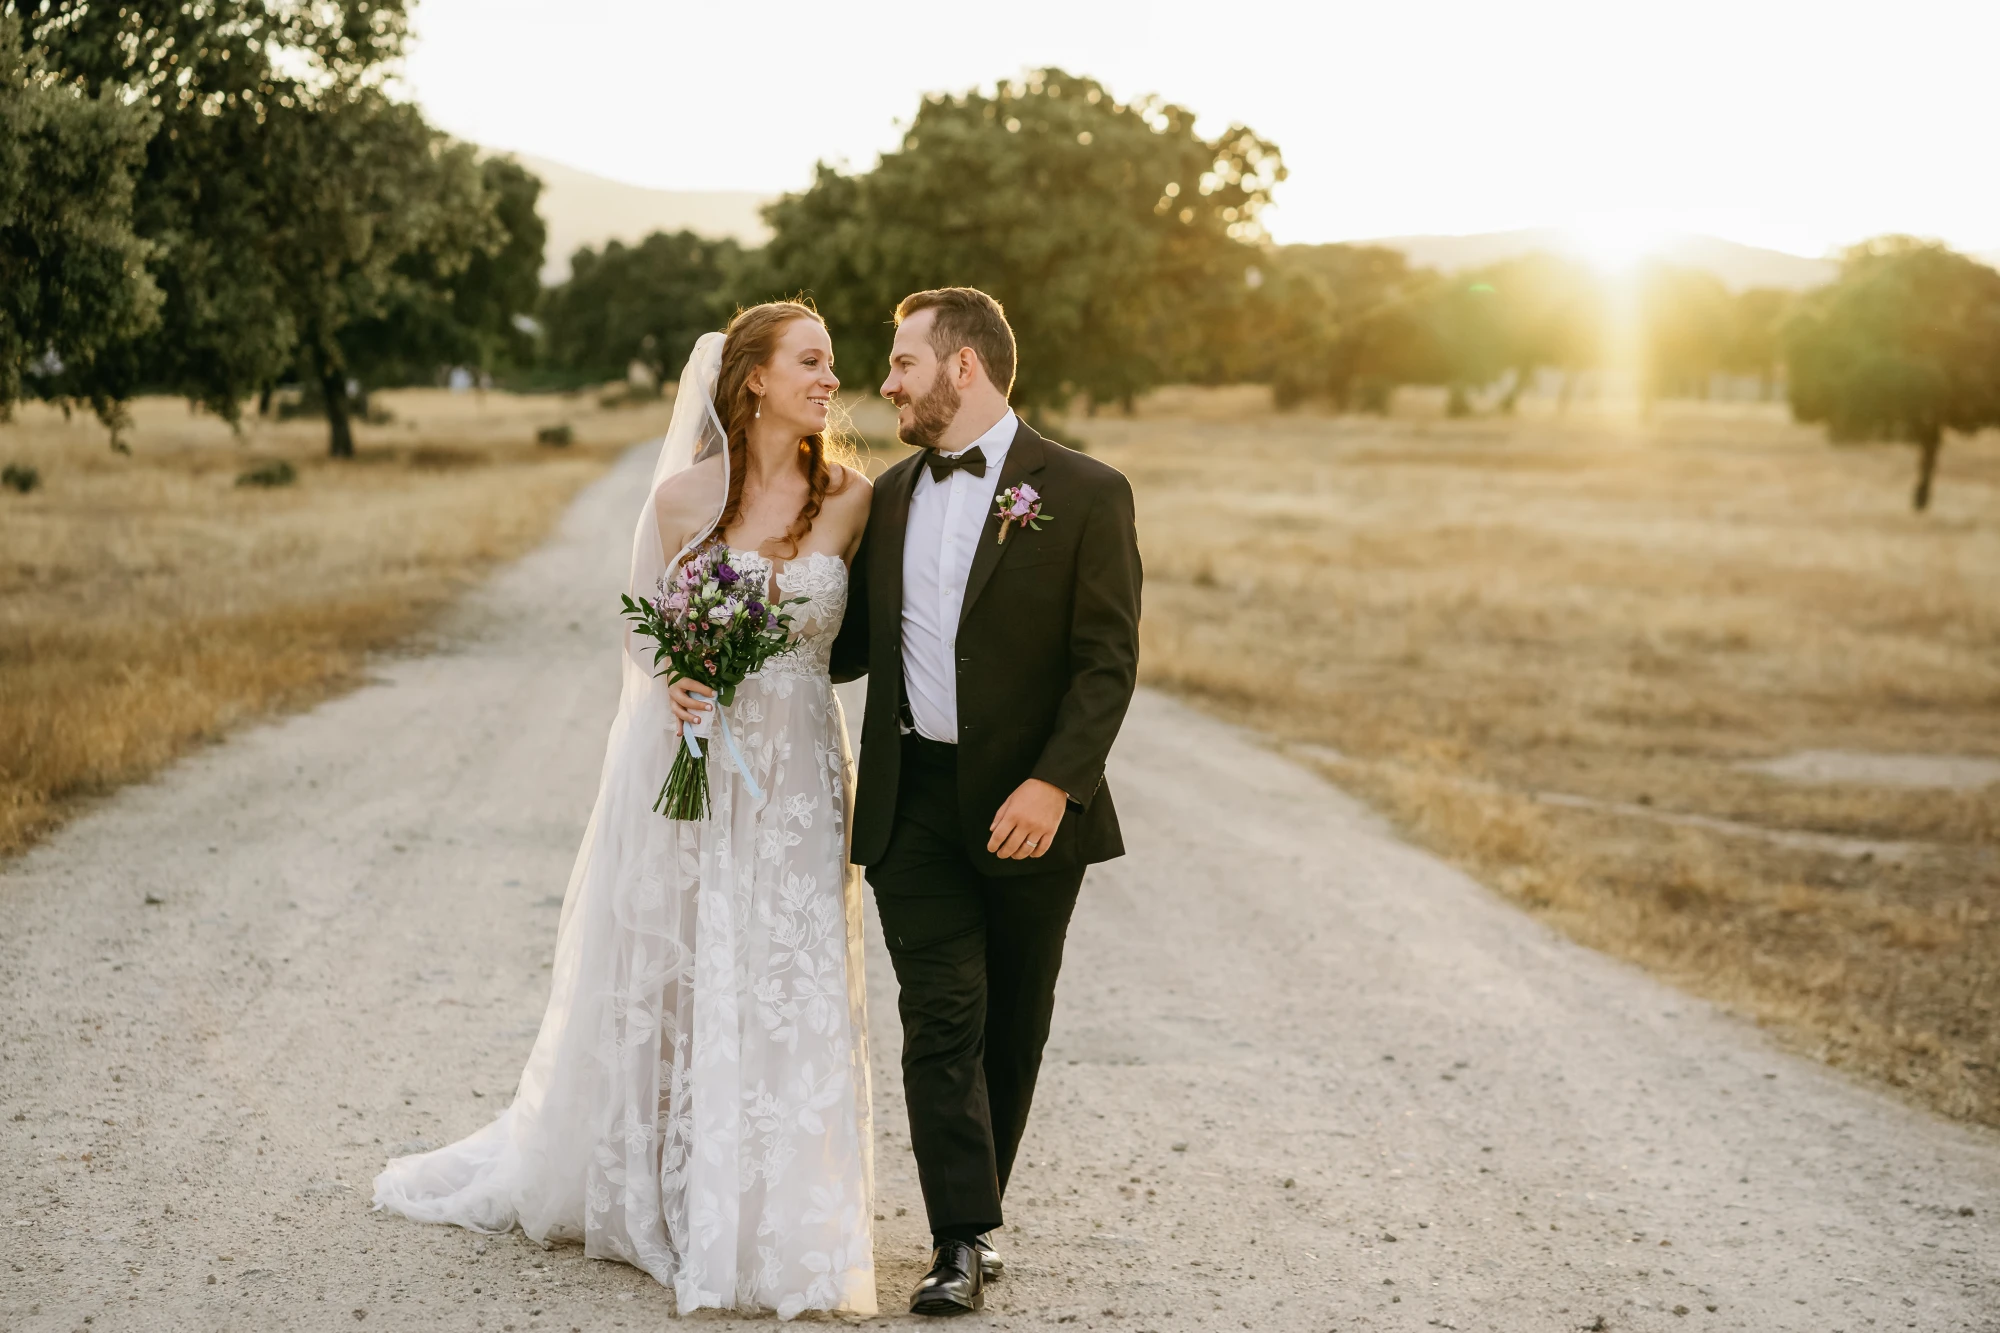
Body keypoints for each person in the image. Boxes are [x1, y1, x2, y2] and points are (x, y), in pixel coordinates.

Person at [373, 302, 880, 1320]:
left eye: (832, 363)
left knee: (788, 971)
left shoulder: (851, 496)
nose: (832, 378)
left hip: (798, 775)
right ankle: (669, 1184)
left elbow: (851, 623)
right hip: (691, 760)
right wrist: (679, 679)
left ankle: (783, 1207)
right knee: (684, 966)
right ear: (753, 380)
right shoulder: (678, 497)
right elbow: (643, 628)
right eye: (812, 362)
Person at [830, 287, 1143, 1315]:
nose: (885, 384)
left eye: (902, 363)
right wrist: (719, 637)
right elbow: (838, 647)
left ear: (961, 368)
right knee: (942, 1018)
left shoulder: (1087, 492)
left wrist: (1055, 783)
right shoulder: (885, 497)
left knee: (1013, 1024)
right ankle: (958, 1237)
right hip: (912, 797)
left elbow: (1105, 663)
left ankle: (978, 1204)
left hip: (1028, 805)